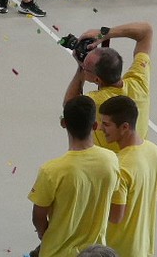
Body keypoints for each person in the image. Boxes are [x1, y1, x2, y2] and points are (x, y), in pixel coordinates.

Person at [28, 95, 118, 257]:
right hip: (93, 253)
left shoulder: (51, 170)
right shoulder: (111, 160)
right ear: (95, 125)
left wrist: (44, 233)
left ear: (64, 123)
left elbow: (38, 216)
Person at [64, 21, 153, 152]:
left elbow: (69, 105)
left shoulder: (96, 101)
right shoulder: (139, 82)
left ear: (97, 79)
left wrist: (80, 68)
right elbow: (146, 31)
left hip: (113, 162)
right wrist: (105, 34)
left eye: (86, 68)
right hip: (141, 157)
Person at [100, 95, 157, 257]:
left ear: (124, 127)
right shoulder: (154, 151)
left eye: (106, 124)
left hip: (120, 250)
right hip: (144, 247)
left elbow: (115, 217)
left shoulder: (120, 166)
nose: (100, 129)